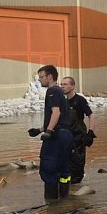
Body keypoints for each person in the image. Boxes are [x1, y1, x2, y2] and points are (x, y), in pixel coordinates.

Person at [29, 65, 74, 201]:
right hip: (66, 135)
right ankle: (64, 200)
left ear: (49, 77)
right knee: (64, 168)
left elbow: (56, 112)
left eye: (41, 77)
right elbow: (59, 118)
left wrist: (48, 131)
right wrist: (39, 130)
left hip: (56, 137)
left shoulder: (52, 91)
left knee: (49, 168)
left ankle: (51, 203)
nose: (40, 80)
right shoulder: (60, 92)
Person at [61, 76, 96, 185]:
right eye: (61, 84)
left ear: (72, 86)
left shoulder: (80, 100)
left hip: (78, 137)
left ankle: (77, 186)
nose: (62, 87)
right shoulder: (62, 101)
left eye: (65, 84)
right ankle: (67, 187)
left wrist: (90, 132)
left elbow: (91, 115)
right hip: (66, 136)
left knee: (78, 163)